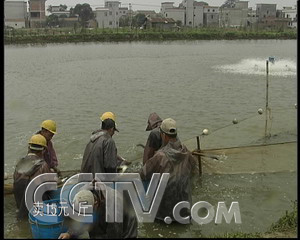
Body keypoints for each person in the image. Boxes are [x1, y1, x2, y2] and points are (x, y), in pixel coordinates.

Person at [140, 118, 196, 222]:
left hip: (163, 213)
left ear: (164, 135)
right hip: (184, 210)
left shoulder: (160, 156)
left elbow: (143, 174)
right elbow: (193, 170)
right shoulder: (187, 153)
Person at [58, 182, 138, 239]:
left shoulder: (114, 205)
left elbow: (114, 235)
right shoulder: (82, 193)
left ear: (95, 204)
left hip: (125, 230)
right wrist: (69, 233)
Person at [13, 134, 54, 220]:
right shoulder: (43, 165)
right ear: (43, 151)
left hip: (20, 203)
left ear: (29, 147)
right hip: (35, 204)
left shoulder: (20, 163)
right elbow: (50, 187)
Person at [81, 112, 128, 177]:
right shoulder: (108, 140)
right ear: (111, 129)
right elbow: (110, 167)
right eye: (114, 131)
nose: (113, 133)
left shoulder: (92, 139)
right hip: (98, 182)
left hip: (85, 180)